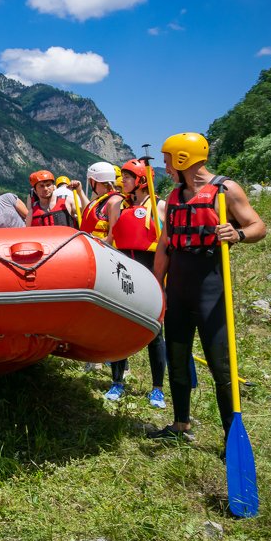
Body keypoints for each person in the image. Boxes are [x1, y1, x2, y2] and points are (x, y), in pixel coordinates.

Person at [148, 133, 266, 451]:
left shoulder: (225, 190)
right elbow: (165, 244)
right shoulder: (174, 197)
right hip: (179, 290)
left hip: (211, 289)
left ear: (183, 159)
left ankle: (232, 438)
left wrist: (238, 233)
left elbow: (259, 226)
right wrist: (157, 284)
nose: (165, 166)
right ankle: (180, 424)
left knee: (221, 368)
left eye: (168, 159)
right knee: (177, 358)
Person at [105, 159, 168, 405]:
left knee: (155, 332)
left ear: (142, 180)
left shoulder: (159, 206)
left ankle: (157, 389)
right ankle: (117, 382)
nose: (123, 181)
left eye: (128, 177)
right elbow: (111, 238)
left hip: (150, 271)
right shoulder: (117, 206)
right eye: (122, 177)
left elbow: (167, 244)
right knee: (119, 329)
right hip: (124, 271)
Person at [73, 161, 124, 242]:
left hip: (102, 251)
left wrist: (93, 244)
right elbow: (90, 211)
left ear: (94, 181)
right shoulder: (101, 199)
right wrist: (80, 191)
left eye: (90, 180)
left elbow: (112, 238)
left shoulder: (114, 201)